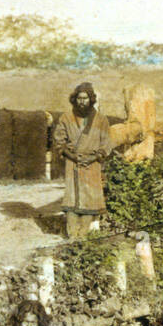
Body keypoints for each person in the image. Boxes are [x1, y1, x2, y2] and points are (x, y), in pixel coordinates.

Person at [52, 82, 115, 238]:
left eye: (85, 98)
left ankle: (83, 235)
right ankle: (72, 234)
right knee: (72, 198)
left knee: (89, 198)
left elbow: (106, 143)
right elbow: (59, 140)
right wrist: (72, 156)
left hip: (92, 163)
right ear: (74, 99)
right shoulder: (66, 118)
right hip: (72, 162)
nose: (82, 102)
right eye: (79, 98)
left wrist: (93, 158)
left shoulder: (101, 120)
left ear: (91, 99)